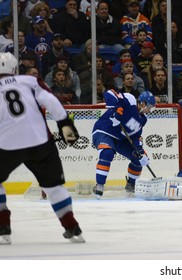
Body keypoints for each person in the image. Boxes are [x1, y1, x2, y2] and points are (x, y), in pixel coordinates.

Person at [0, 52, 84, 244]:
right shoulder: (29, 80)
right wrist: (64, 123)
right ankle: (72, 227)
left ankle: (3, 227)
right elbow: (51, 101)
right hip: (40, 141)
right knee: (54, 187)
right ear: (14, 69)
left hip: (7, 144)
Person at [92, 90, 156, 198]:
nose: (150, 110)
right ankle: (99, 185)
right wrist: (118, 110)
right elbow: (109, 93)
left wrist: (140, 151)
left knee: (138, 158)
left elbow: (135, 137)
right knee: (107, 153)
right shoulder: (130, 100)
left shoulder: (142, 120)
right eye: (150, 107)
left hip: (121, 139)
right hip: (104, 131)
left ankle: (131, 186)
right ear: (143, 103)